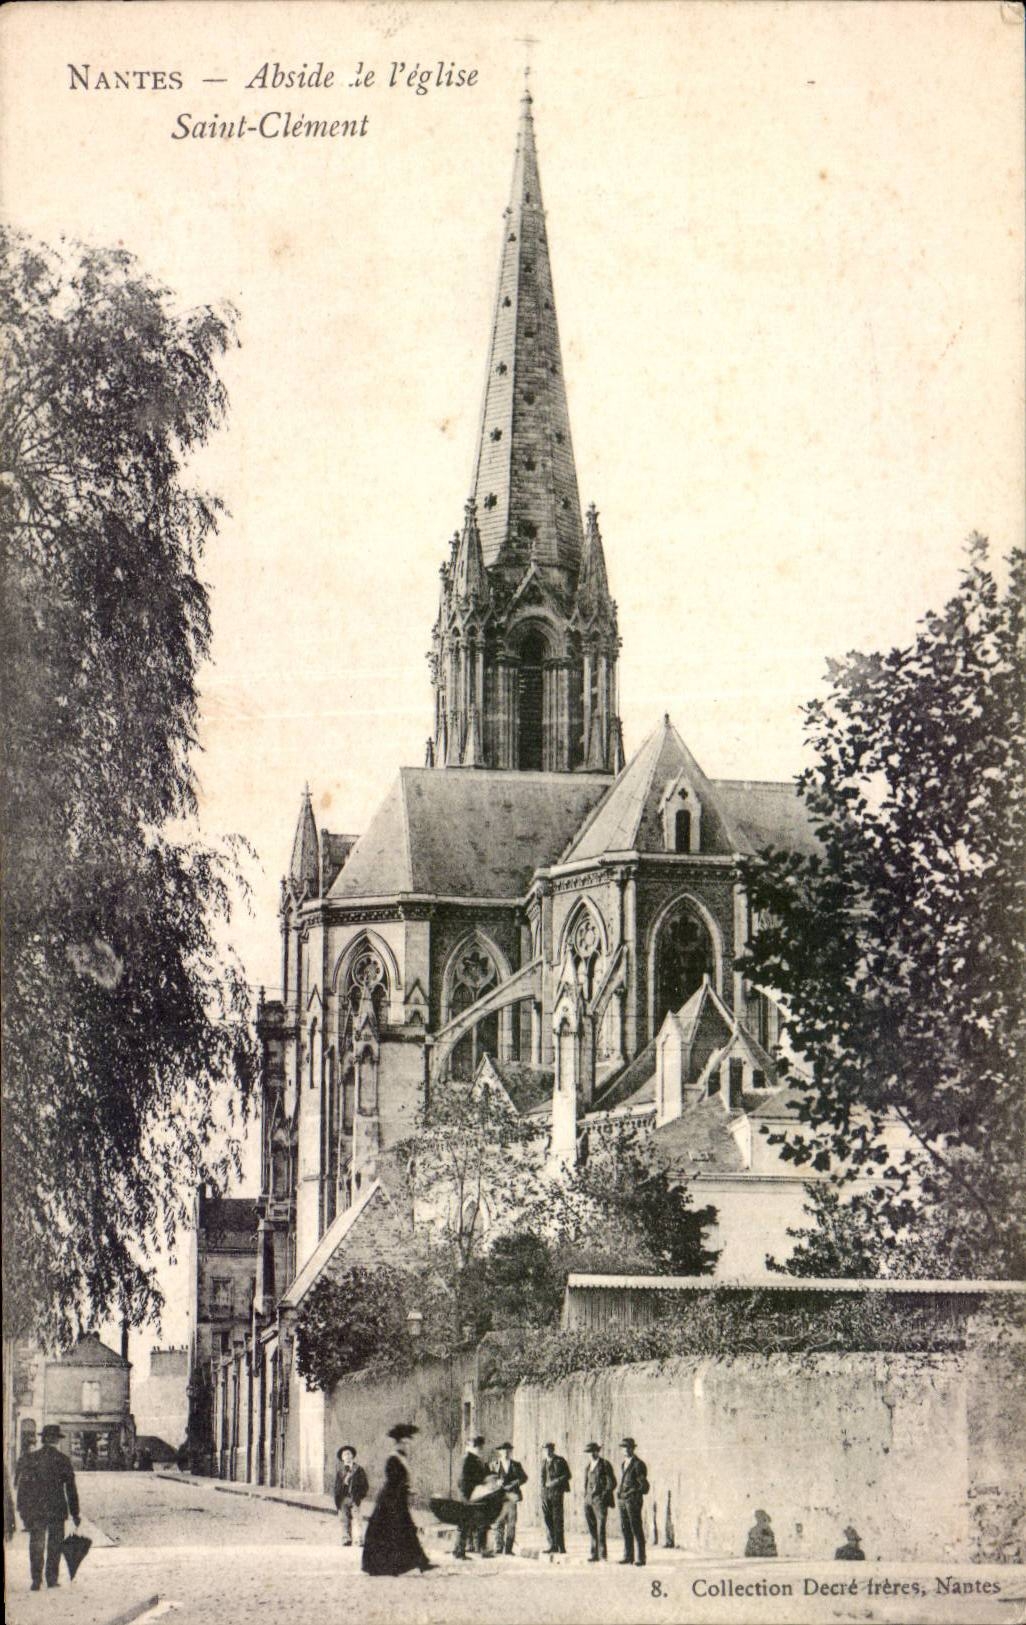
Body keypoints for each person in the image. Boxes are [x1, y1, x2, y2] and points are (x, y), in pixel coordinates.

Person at [15, 1424, 81, 1591]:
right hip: (57, 1509)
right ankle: (51, 1579)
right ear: (57, 1440)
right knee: (55, 1544)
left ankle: (36, 1580)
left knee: (36, 1543)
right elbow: (71, 1489)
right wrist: (75, 1513)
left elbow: (23, 1488)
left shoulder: (30, 1459)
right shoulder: (63, 1460)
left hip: (35, 1509)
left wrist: (22, 1510)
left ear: (43, 1439)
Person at [361, 1424, 434, 1577]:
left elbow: (402, 1479)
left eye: (409, 1442)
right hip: (390, 1499)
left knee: (404, 1528)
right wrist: (406, 1488)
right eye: (407, 1442)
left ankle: (420, 1561)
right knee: (393, 1529)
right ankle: (383, 1565)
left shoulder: (401, 1457)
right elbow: (393, 1479)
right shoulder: (393, 1458)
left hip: (397, 1497)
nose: (409, 1445)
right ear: (400, 1441)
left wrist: (407, 1488)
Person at [453, 1434, 490, 1559]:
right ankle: (459, 1551)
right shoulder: (468, 1459)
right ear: (475, 1447)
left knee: (466, 1523)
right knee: (464, 1523)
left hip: (473, 1495)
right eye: (479, 1447)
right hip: (468, 1495)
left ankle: (460, 1550)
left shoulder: (474, 1459)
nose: (481, 1449)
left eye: (481, 1447)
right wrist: (467, 1496)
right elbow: (462, 1480)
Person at [616, 1436, 649, 1568]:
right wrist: (620, 1492)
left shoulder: (638, 1464)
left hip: (633, 1501)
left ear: (632, 1449)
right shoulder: (624, 1463)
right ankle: (628, 1556)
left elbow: (644, 1486)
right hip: (623, 1501)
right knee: (625, 1529)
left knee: (636, 1528)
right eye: (623, 1448)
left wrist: (631, 1492)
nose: (625, 1450)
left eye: (628, 1448)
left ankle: (641, 1558)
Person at [491, 1442, 528, 1556]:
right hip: (499, 1497)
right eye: (503, 1451)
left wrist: (514, 1484)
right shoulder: (494, 1465)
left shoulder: (516, 1465)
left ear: (510, 1452)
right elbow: (487, 1479)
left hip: (512, 1497)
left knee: (511, 1523)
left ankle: (508, 1549)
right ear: (499, 1452)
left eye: (508, 1451)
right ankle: (498, 1547)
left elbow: (524, 1478)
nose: (506, 1453)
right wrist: (496, 1482)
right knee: (498, 1522)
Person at [583, 1441, 616, 1562]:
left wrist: (603, 1495)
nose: (591, 1454)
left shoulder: (605, 1465)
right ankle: (594, 1554)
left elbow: (612, 1482)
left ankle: (602, 1554)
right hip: (588, 1501)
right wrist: (586, 1497)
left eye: (593, 1451)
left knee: (601, 1528)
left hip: (600, 1501)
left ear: (598, 1451)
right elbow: (586, 1484)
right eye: (589, 1452)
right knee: (592, 1528)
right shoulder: (588, 1467)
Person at [333, 1445, 370, 1546]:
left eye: (349, 1454)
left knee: (357, 1519)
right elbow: (336, 1487)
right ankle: (346, 1539)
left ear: (352, 1456)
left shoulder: (358, 1470)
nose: (347, 1456)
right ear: (342, 1458)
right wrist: (339, 1496)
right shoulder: (340, 1472)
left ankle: (359, 1540)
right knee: (344, 1520)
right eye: (344, 1454)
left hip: (354, 1498)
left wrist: (360, 1496)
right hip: (343, 1499)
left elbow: (365, 1485)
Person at [540, 1441, 571, 1555]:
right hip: (546, 1495)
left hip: (557, 1494)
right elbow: (542, 1480)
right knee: (548, 1520)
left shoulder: (560, 1461)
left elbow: (568, 1475)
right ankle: (552, 1545)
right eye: (545, 1450)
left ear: (553, 1450)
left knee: (557, 1520)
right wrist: (542, 1495)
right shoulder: (543, 1462)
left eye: (549, 1449)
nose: (547, 1451)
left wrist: (555, 1482)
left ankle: (561, 1546)